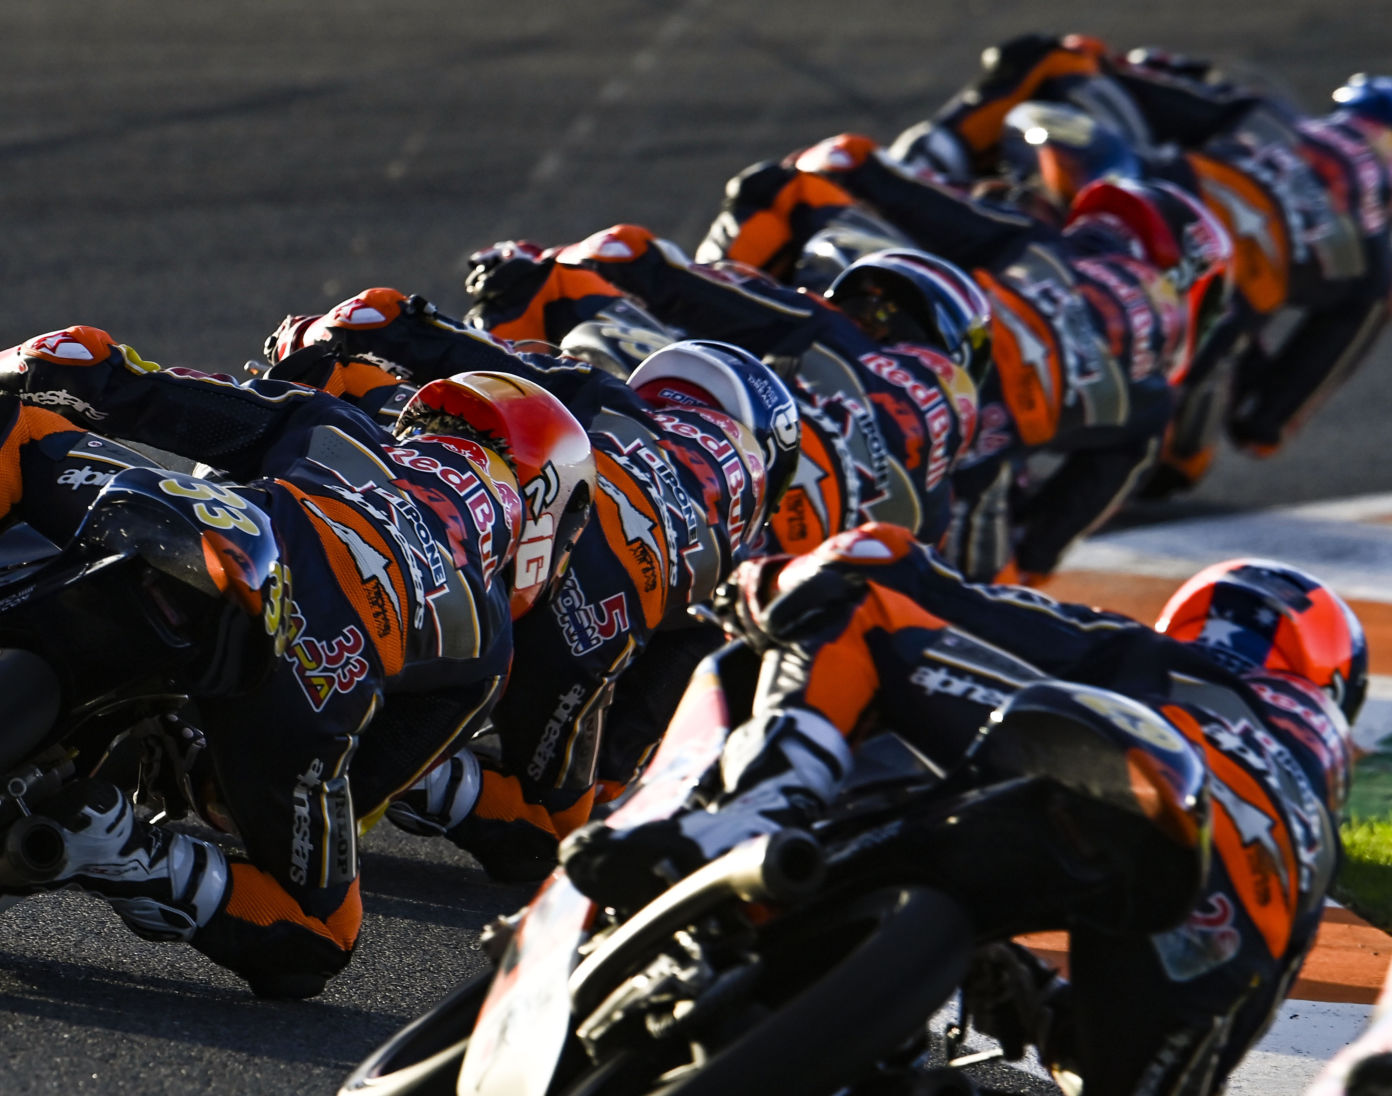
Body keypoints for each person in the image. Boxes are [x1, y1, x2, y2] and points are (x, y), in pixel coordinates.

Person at [0, 330, 595, 998]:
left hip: (221, 538)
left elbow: (118, 379)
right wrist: (220, 789)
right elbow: (365, 789)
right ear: (544, 511)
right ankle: (118, 850)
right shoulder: (485, 638)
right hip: (305, 681)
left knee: (7, 427)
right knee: (318, 937)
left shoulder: (342, 433)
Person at [562, 523, 1364, 1096]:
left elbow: (891, 567)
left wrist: (757, 589)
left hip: (1108, 779)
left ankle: (757, 818)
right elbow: (1225, 1018)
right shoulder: (1314, 829)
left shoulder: (1157, 659)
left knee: (863, 595)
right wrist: (1053, 1016)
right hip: (1248, 903)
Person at [260, 287, 795, 878]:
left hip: (462, 502)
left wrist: (357, 333)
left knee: (342, 395)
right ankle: (385, 776)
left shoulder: (604, 394)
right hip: (579, 604)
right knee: (563, 835)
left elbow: (458, 347)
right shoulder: (743, 527)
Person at [705, 138, 1231, 581]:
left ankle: (684, 314)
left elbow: (928, 206)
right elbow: (1084, 499)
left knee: (780, 192)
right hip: (970, 452)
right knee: (974, 594)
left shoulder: (1046, 248)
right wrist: (1034, 557)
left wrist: (861, 167)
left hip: (905, 352)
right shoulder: (1153, 395)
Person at [885, 34, 1392, 488]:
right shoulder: (1373, 260)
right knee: (1177, 457)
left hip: (1114, 210)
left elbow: (1106, 69)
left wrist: (1133, 66)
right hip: (1199, 308)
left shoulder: (1267, 117)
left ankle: (923, 166)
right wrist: (1262, 412)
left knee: (1054, 62)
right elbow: (1278, 407)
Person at [464, 225, 983, 562]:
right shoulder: (938, 499)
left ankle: (450, 406)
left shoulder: (840, 337)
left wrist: (562, 262)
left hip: (718, 476)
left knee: (555, 287)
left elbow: (685, 284)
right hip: (758, 578)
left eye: (877, 311)